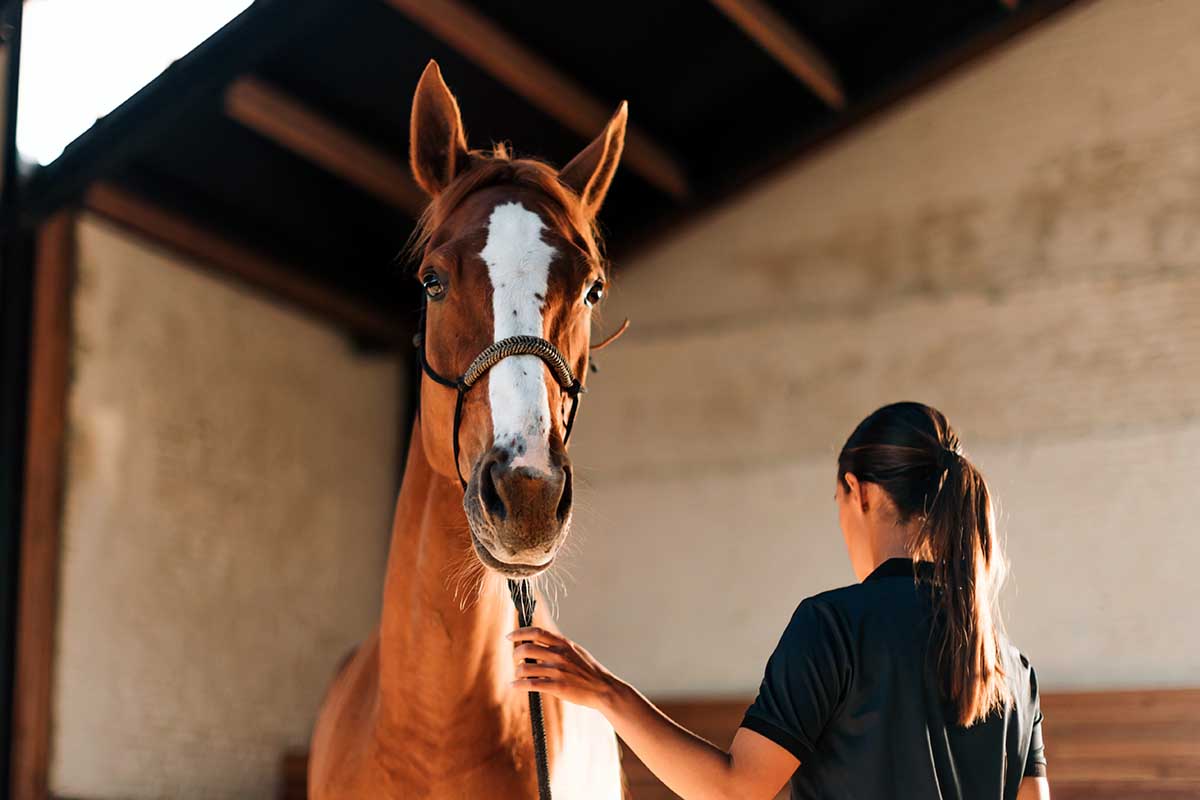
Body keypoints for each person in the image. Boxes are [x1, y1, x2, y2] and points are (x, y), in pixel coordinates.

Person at [509, 402, 1050, 799]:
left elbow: (736, 791)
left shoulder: (834, 627)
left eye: (837, 501)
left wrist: (606, 693)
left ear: (858, 492)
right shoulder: (1014, 670)